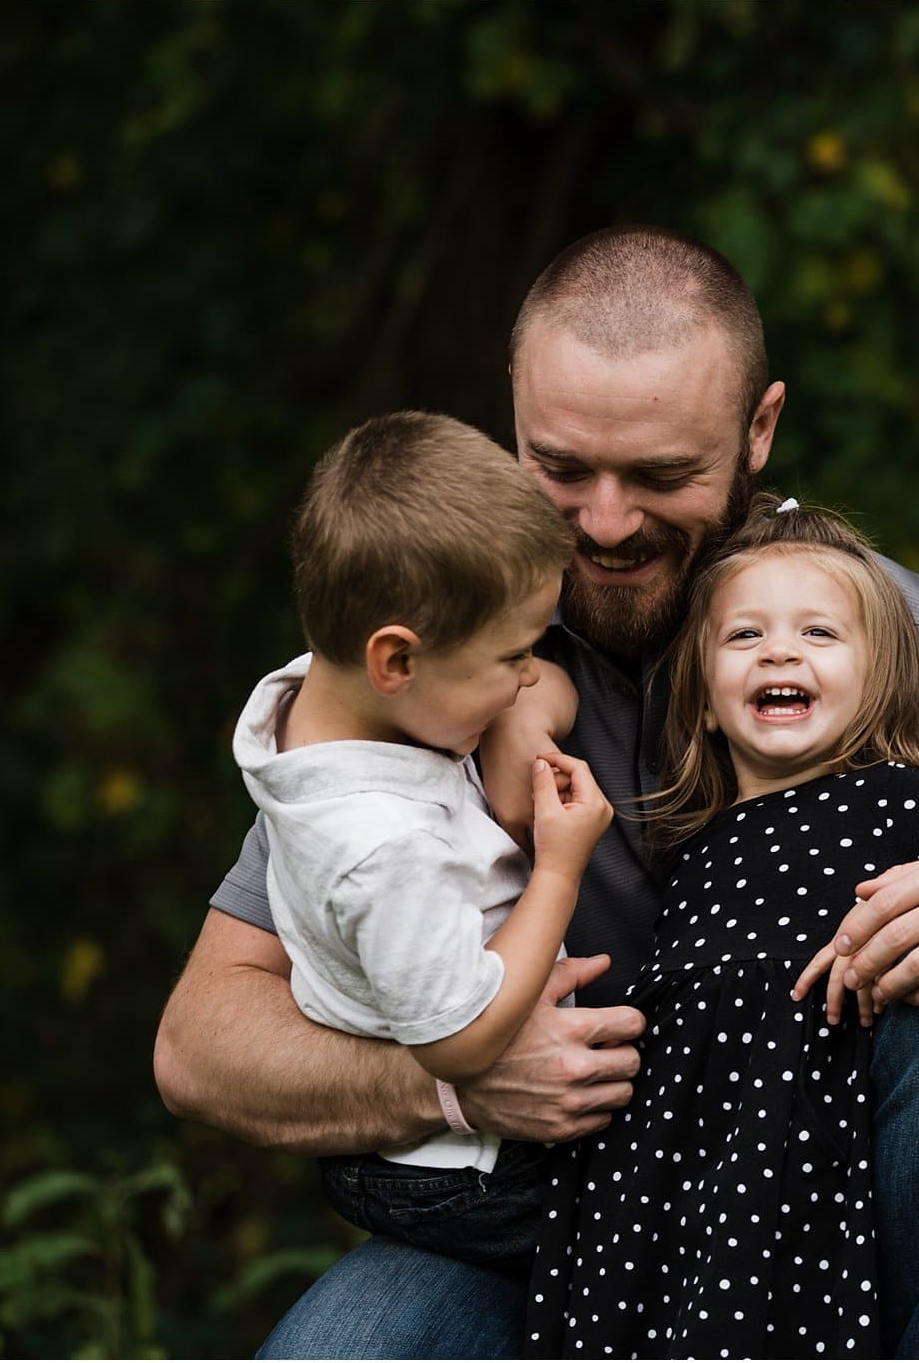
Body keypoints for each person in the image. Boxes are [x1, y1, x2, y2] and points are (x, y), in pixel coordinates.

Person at [154, 224, 919, 1358]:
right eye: (558, 469)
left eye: (660, 476)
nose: (603, 523)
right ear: (512, 416)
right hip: (547, 1224)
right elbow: (201, 1042)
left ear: (759, 430)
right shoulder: (444, 662)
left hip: (827, 1203)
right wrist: (455, 1079)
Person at [525, 494, 919, 1357]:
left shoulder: (902, 804)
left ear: (879, 686)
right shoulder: (691, 847)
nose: (781, 650)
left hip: (802, 1169)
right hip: (668, 1177)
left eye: (820, 635)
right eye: (745, 636)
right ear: (708, 703)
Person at [230, 411, 612, 1270]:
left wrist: (516, 716)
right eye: (510, 655)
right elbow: (462, 1041)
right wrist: (558, 869)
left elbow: (544, 684)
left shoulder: (323, 705)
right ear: (396, 661)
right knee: (653, 1246)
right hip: (458, 1173)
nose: (530, 671)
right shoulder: (378, 847)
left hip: (440, 1149)